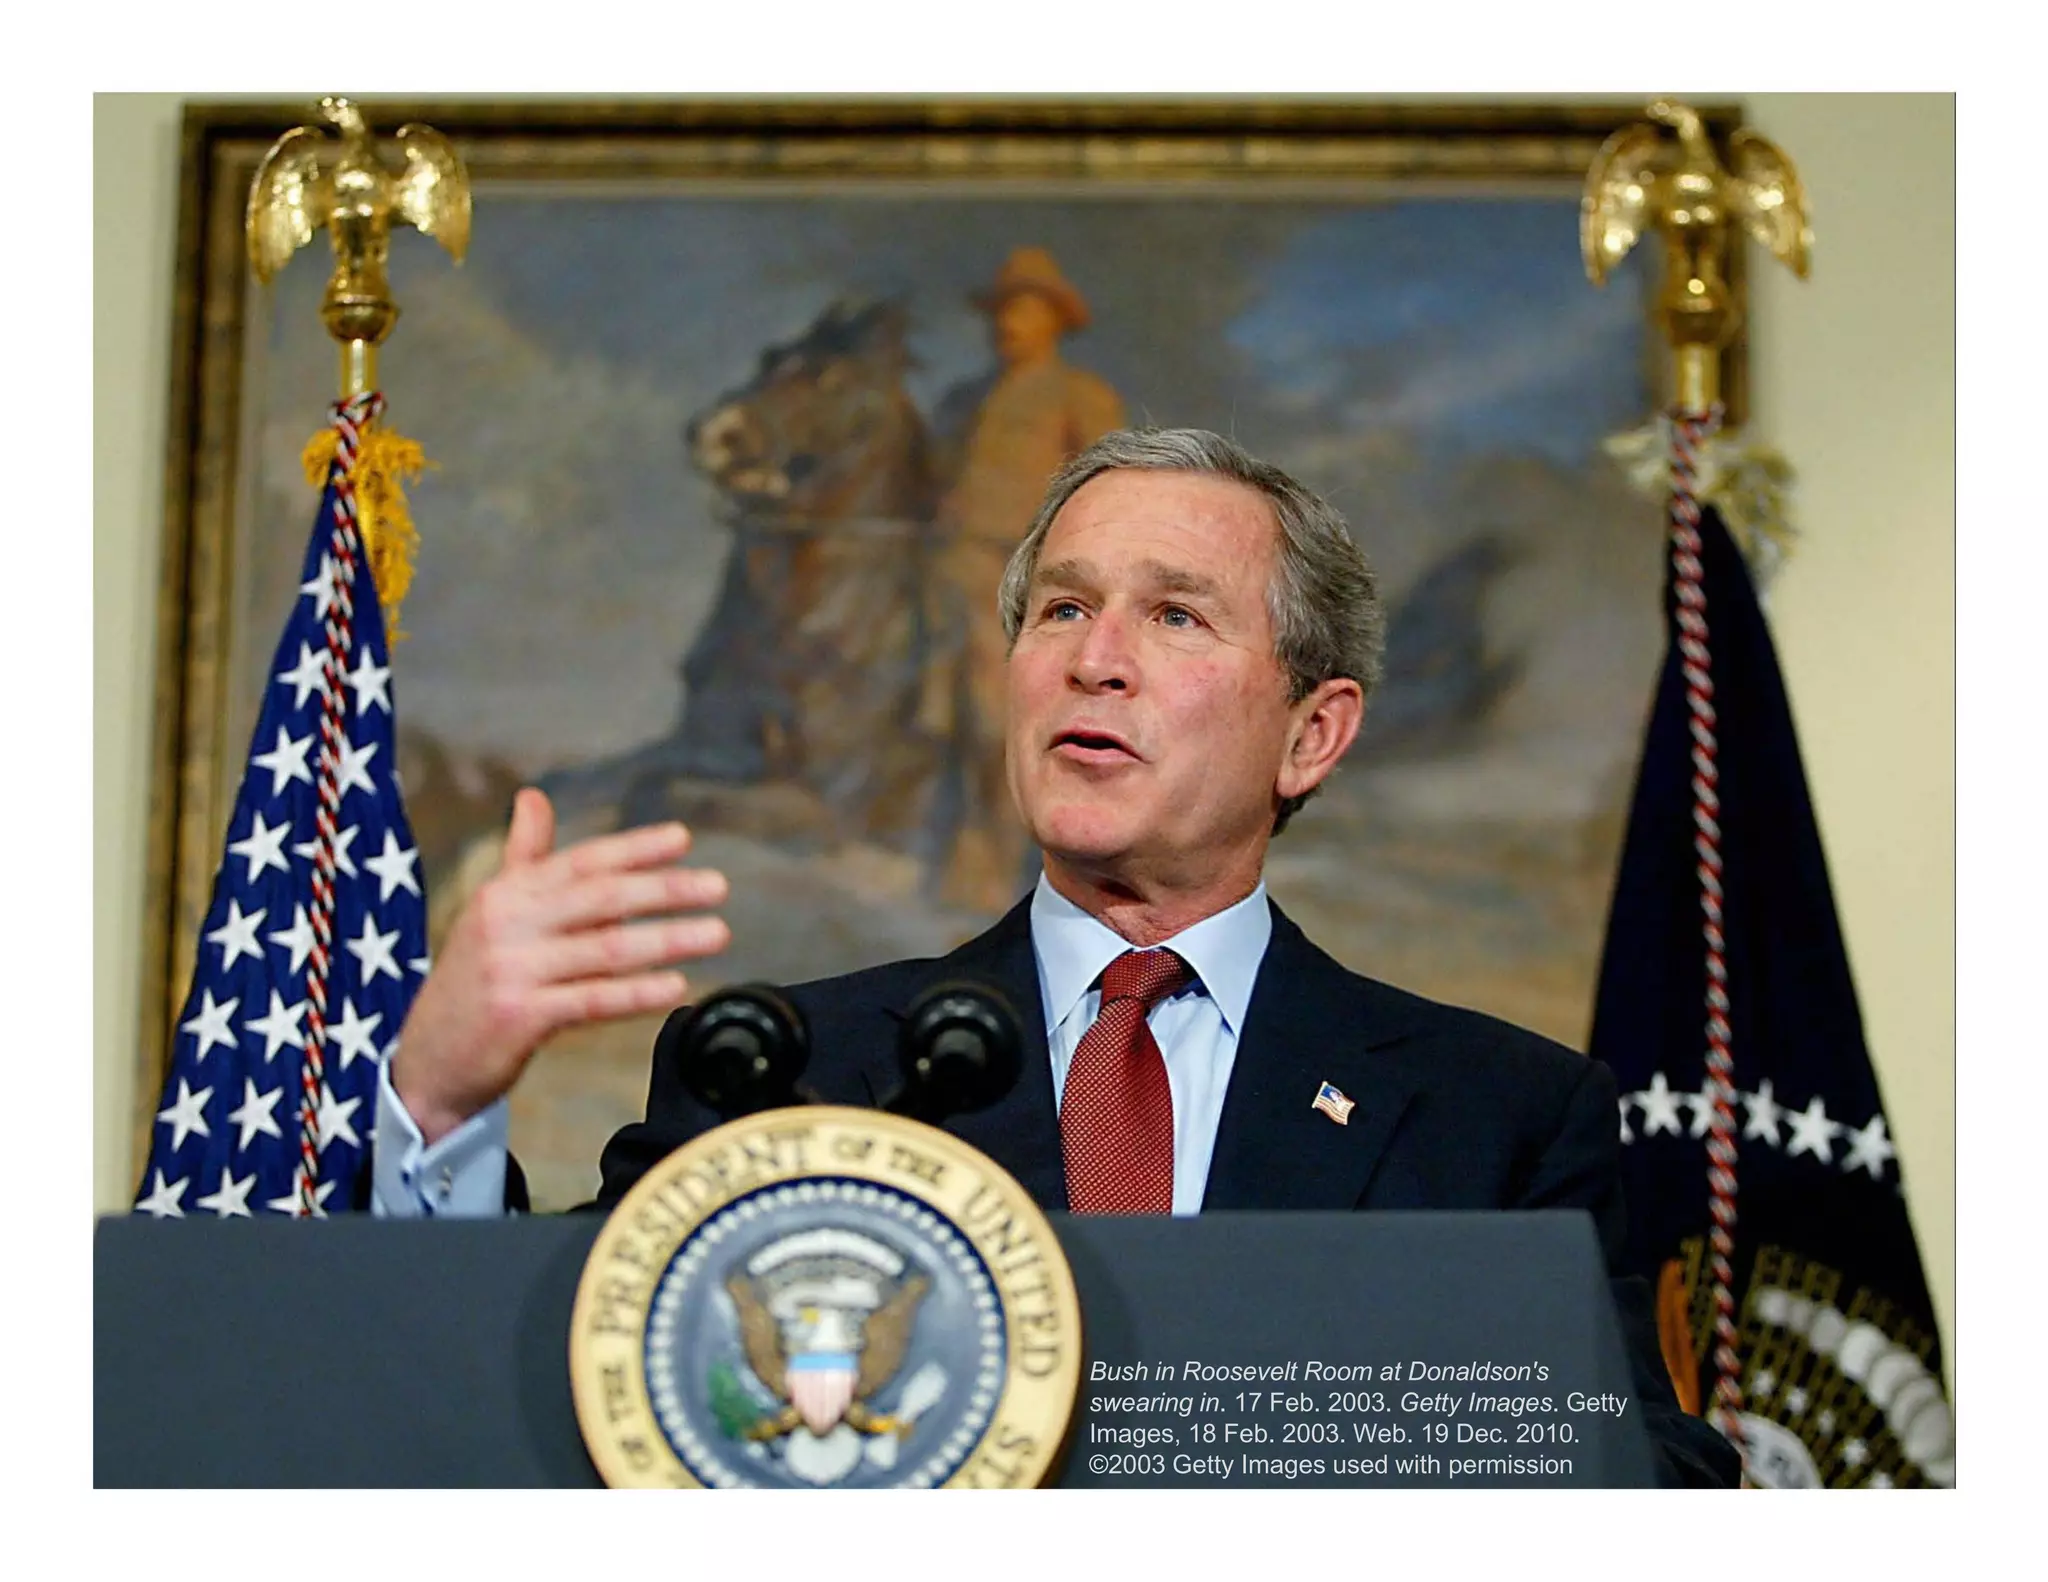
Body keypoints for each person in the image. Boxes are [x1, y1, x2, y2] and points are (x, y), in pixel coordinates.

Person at [373, 426, 1739, 1488]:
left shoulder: (1498, 1115)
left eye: (1177, 615)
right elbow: (547, 1398)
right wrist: (436, 1101)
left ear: (1312, 733)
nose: (1097, 660)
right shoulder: (790, 1074)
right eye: (1061, 610)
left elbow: (1655, 1482)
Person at [923, 247, 1127, 911]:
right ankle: (952, 872)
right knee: (943, 725)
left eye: (1027, 309)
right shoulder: (963, 401)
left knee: (1001, 723)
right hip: (947, 579)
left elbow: (1112, 497)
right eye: (1005, 310)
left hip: (1023, 589)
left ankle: (1014, 879)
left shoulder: (1079, 396)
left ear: (1054, 321)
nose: (1011, 323)